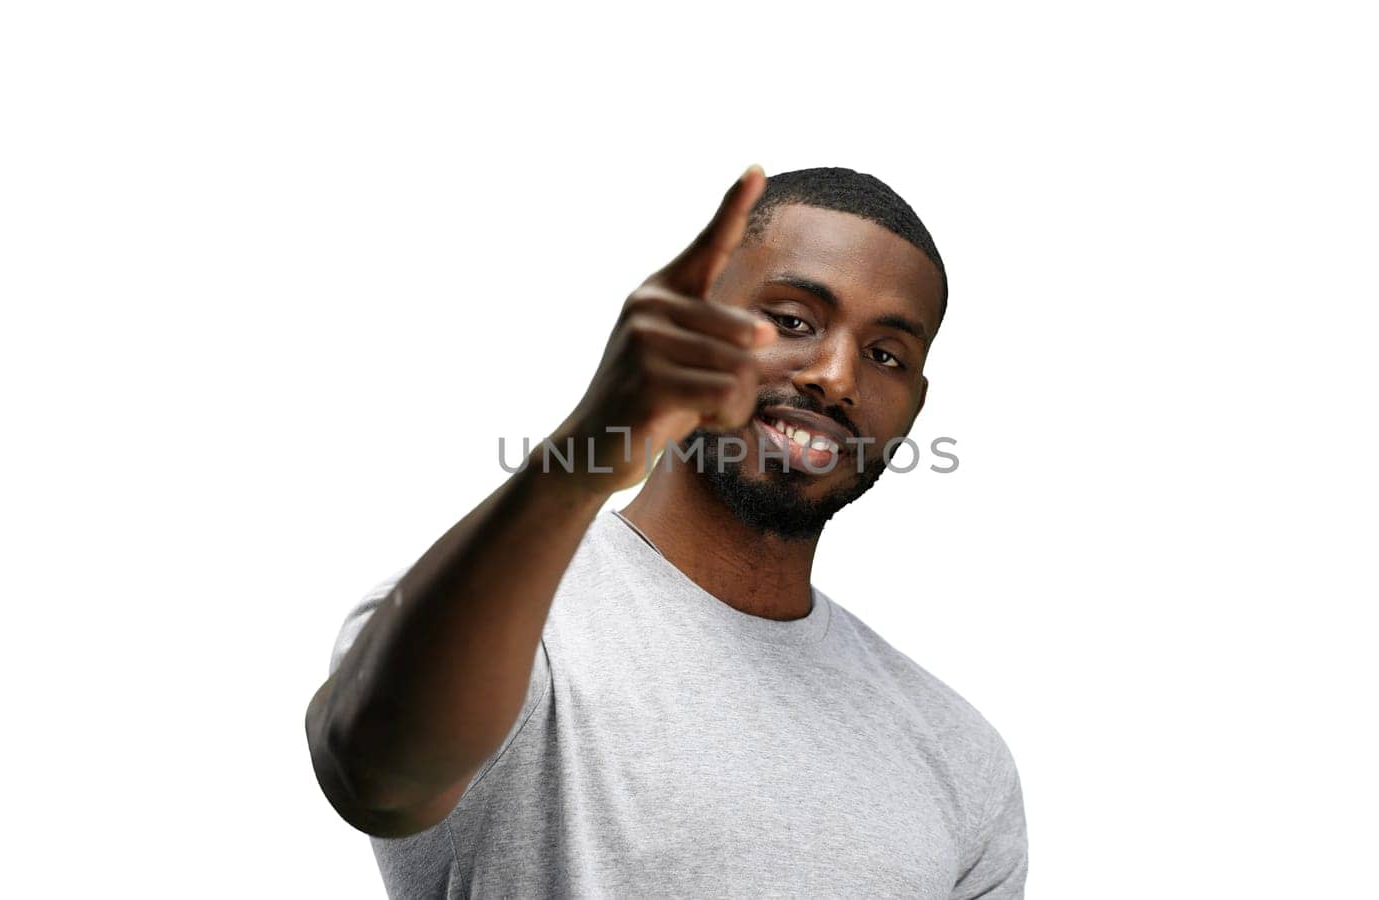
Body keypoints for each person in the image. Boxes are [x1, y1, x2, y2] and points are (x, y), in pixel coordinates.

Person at [304, 165, 1028, 898]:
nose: (838, 377)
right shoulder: (503, 614)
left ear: (914, 406)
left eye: (886, 356)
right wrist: (588, 452)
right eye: (793, 320)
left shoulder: (961, 757)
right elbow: (373, 776)